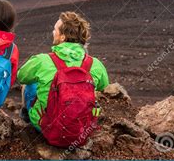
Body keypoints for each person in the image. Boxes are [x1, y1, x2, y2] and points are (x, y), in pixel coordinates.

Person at [18, 11, 109, 146]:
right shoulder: (95, 64)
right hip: (81, 130)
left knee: (30, 84)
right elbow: (104, 86)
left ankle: (27, 116)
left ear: (62, 37)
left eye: (55, 30)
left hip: (49, 127)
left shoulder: (42, 60)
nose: (53, 32)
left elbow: (21, 76)